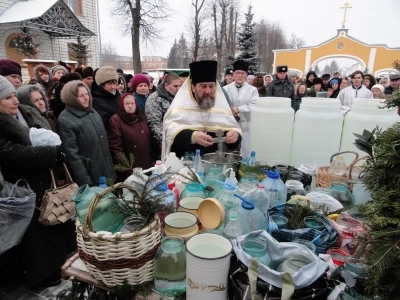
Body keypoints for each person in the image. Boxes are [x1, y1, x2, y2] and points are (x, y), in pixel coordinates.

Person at [0, 75, 76, 287]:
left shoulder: (26, 113)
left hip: (45, 181)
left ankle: (57, 264)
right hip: (23, 186)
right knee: (36, 237)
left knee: (53, 224)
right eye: (7, 98)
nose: (15, 101)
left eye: (14, 95)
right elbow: (12, 153)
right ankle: (40, 276)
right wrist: (51, 154)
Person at [162, 60, 242, 159]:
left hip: (214, 166)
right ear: (193, 87)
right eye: (203, 86)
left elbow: (231, 132)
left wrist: (235, 136)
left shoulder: (221, 106)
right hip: (186, 165)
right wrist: (192, 136)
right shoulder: (180, 106)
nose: (208, 91)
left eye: (211, 86)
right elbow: (170, 133)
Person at [58, 80, 116, 186]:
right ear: (72, 98)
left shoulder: (92, 112)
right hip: (90, 174)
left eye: (87, 94)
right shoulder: (66, 120)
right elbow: (72, 155)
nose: (86, 98)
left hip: (106, 170)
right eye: (81, 96)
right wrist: (85, 181)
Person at [108, 94, 153, 181]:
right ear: (122, 105)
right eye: (127, 104)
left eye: (132, 103)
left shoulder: (140, 117)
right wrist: (126, 166)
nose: (130, 106)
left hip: (146, 163)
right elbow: (115, 146)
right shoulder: (115, 120)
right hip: (131, 166)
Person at [224, 60, 258, 159]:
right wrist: (230, 111)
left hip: (246, 126)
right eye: (237, 73)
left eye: (242, 73)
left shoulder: (253, 90)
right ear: (233, 74)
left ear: (246, 75)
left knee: (246, 151)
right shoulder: (226, 89)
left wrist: (238, 109)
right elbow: (222, 106)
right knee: (230, 151)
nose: (240, 76)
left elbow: (254, 105)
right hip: (230, 125)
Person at [145, 73, 181, 159]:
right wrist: (168, 142)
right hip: (163, 145)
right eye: (175, 86)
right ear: (166, 85)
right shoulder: (155, 99)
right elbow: (155, 125)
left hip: (178, 139)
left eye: (180, 86)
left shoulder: (177, 97)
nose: (178, 89)